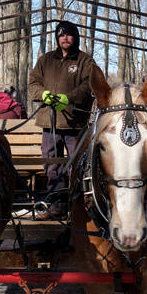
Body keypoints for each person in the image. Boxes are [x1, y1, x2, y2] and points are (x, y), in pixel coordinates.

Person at [28, 19, 96, 216]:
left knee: (78, 165)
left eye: (68, 34)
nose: (65, 38)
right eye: (61, 35)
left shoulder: (85, 61)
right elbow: (33, 83)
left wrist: (69, 98)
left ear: (75, 37)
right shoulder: (45, 60)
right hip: (49, 123)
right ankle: (57, 204)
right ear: (57, 38)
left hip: (74, 123)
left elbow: (89, 86)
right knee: (51, 166)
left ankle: (78, 204)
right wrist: (43, 94)